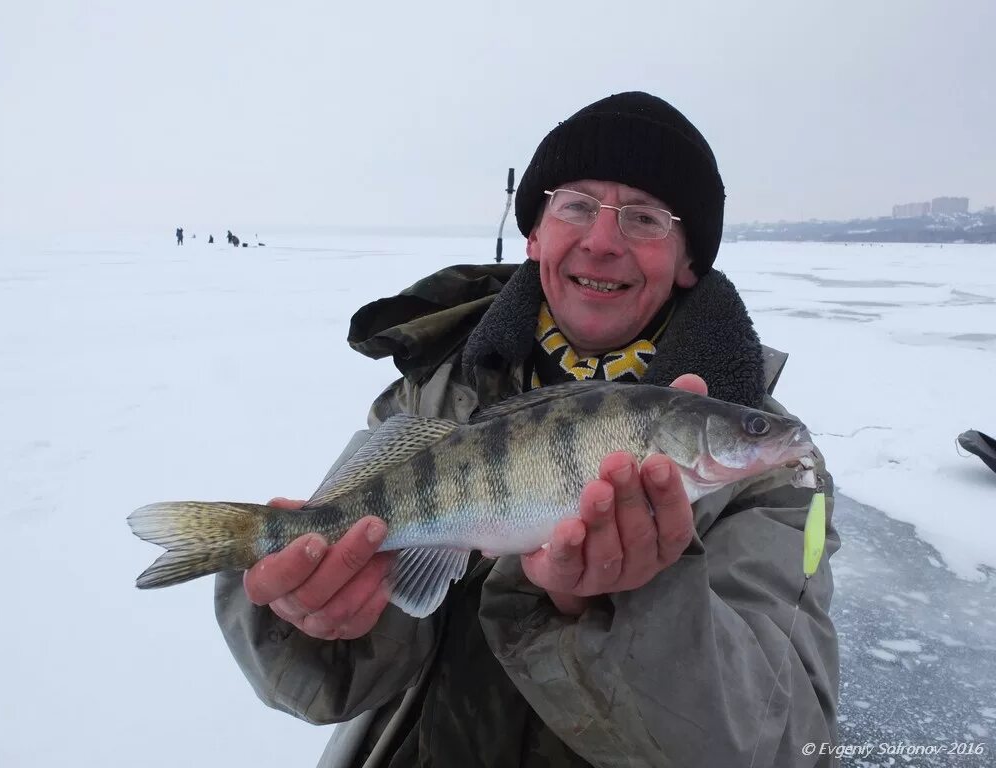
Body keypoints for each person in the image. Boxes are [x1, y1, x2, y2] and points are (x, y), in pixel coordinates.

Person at [215, 92, 840, 767]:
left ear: (689, 259)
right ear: (535, 232)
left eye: (645, 217)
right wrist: (301, 618)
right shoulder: (426, 398)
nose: (602, 241)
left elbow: (787, 744)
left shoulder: (780, 477)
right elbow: (345, 679)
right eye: (575, 205)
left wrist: (618, 609)